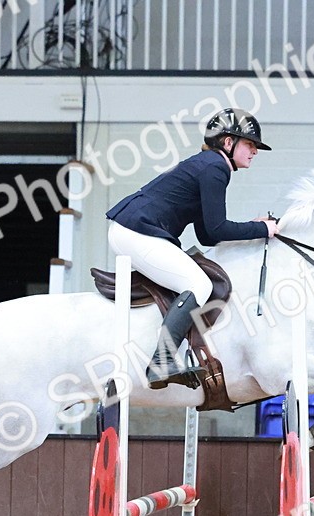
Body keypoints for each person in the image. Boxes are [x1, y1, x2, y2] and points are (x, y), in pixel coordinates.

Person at [106, 108, 279, 389]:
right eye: (250, 144)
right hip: (136, 231)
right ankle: (161, 362)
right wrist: (262, 229)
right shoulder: (215, 168)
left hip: (132, 229)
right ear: (227, 143)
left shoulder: (208, 164)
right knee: (198, 283)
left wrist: (253, 227)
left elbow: (207, 234)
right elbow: (219, 229)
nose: (255, 151)